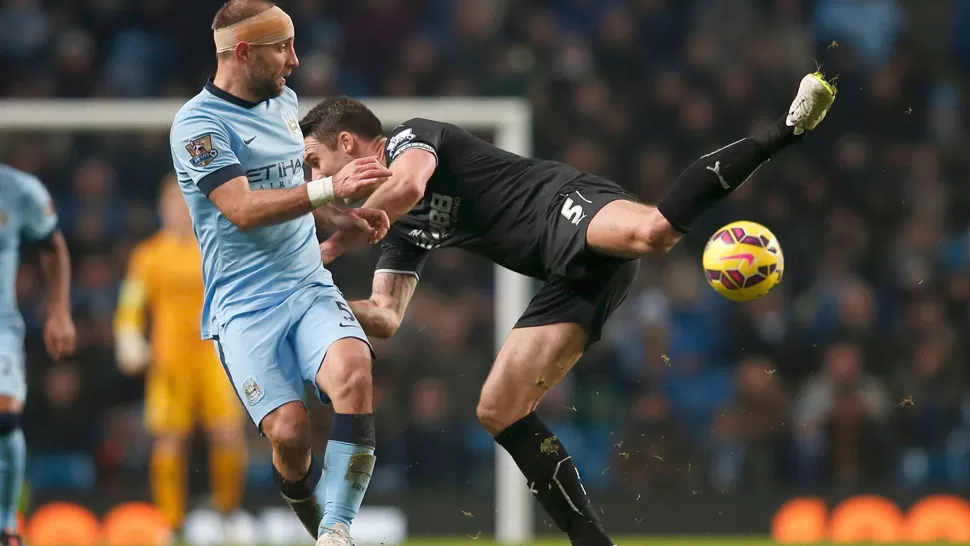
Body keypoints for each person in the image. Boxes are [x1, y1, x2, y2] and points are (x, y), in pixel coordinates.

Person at [301, 72, 836, 546]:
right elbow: (384, 316)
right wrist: (308, 297)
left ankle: (785, 130)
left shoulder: (410, 139)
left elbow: (411, 183)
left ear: (347, 143)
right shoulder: (402, 229)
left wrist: (337, 224)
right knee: (498, 408)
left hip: (566, 207)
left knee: (654, 233)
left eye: (316, 163)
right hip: (568, 277)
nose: (316, 180)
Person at [168, 1, 391, 544]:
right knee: (290, 436)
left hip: (306, 283)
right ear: (243, 52)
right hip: (243, 307)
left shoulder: (285, 103)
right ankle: (323, 529)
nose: (294, 60)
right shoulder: (199, 126)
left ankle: (338, 530)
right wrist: (331, 188)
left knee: (355, 370)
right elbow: (242, 209)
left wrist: (342, 216)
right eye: (282, 48)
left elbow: (295, 191)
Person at [114, 174, 248, 534]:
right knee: (170, 444)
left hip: (214, 357)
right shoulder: (148, 256)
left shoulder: (217, 248)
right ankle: (171, 523)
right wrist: (128, 336)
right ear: (162, 209)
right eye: (172, 203)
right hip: (169, 362)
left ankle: (228, 513)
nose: (178, 210)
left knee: (228, 436)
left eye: (184, 203)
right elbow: (131, 303)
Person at [0, 163, 76, 546]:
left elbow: (53, 245)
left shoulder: (18, 190)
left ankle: (7, 523)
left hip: (1, 328)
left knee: (6, 415)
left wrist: (58, 310)